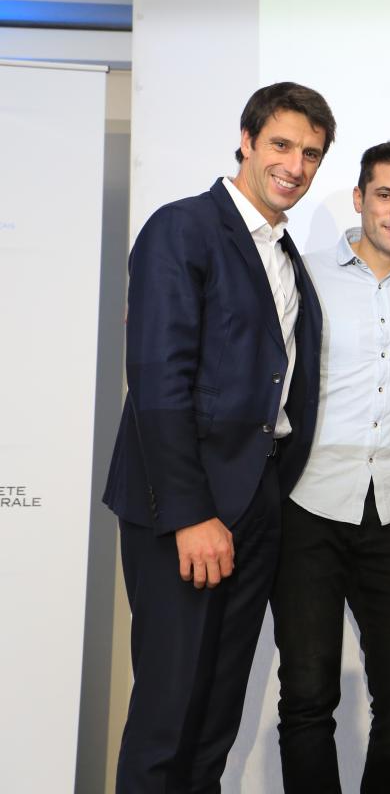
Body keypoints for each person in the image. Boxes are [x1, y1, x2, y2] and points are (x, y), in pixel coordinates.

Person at [102, 82, 335, 792]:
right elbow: (158, 380)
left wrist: (265, 490)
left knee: (214, 722)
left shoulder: (287, 256)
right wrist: (190, 513)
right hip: (187, 509)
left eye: (312, 154)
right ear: (246, 139)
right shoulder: (183, 228)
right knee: (168, 717)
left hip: (254, 501)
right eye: (282, 145)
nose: (295, 165)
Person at [270, 141, 390, 793]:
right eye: (386, 194)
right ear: (359, 198)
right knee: (307, 696)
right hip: (309, 509)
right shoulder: (306, 274)